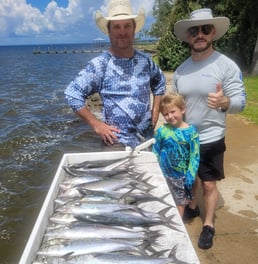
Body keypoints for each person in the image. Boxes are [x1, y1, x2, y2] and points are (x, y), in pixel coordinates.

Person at [172, 8, 246, 249]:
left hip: (212, 137)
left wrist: (225, 103)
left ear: (213, 33)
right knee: (189, 179)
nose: (200, 34)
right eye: (195, 30)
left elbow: (240, 102)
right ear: (188, 36)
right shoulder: (181, 70)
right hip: (186, 136)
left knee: (208, 184)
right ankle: (192, 208)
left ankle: (209, 224)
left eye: (205, 29)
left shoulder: (226, 65)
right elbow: (176, 103)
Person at [65, 0, 166, 149]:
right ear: (109, 31)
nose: (122, 32)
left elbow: (160, 83)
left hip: (146, 140)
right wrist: (96, 124)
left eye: (127, 26)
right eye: (116, 26)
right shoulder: (100, 64)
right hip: (116, 142)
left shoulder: (146, 61)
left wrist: (156, 111)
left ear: (134, 29)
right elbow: (72, 94)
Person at [153, 93, 200, 218]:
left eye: (173, 111)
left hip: (181, 177)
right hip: (163, 174)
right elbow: (155, 151)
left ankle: (177, 224)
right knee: (164, 199)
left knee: (180, 203)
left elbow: (194, 156)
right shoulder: (162, 131)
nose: (170, 116)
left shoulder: (191, 132)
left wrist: (191, 176)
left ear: (183, 109)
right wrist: (154, 169)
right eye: (166, 114)